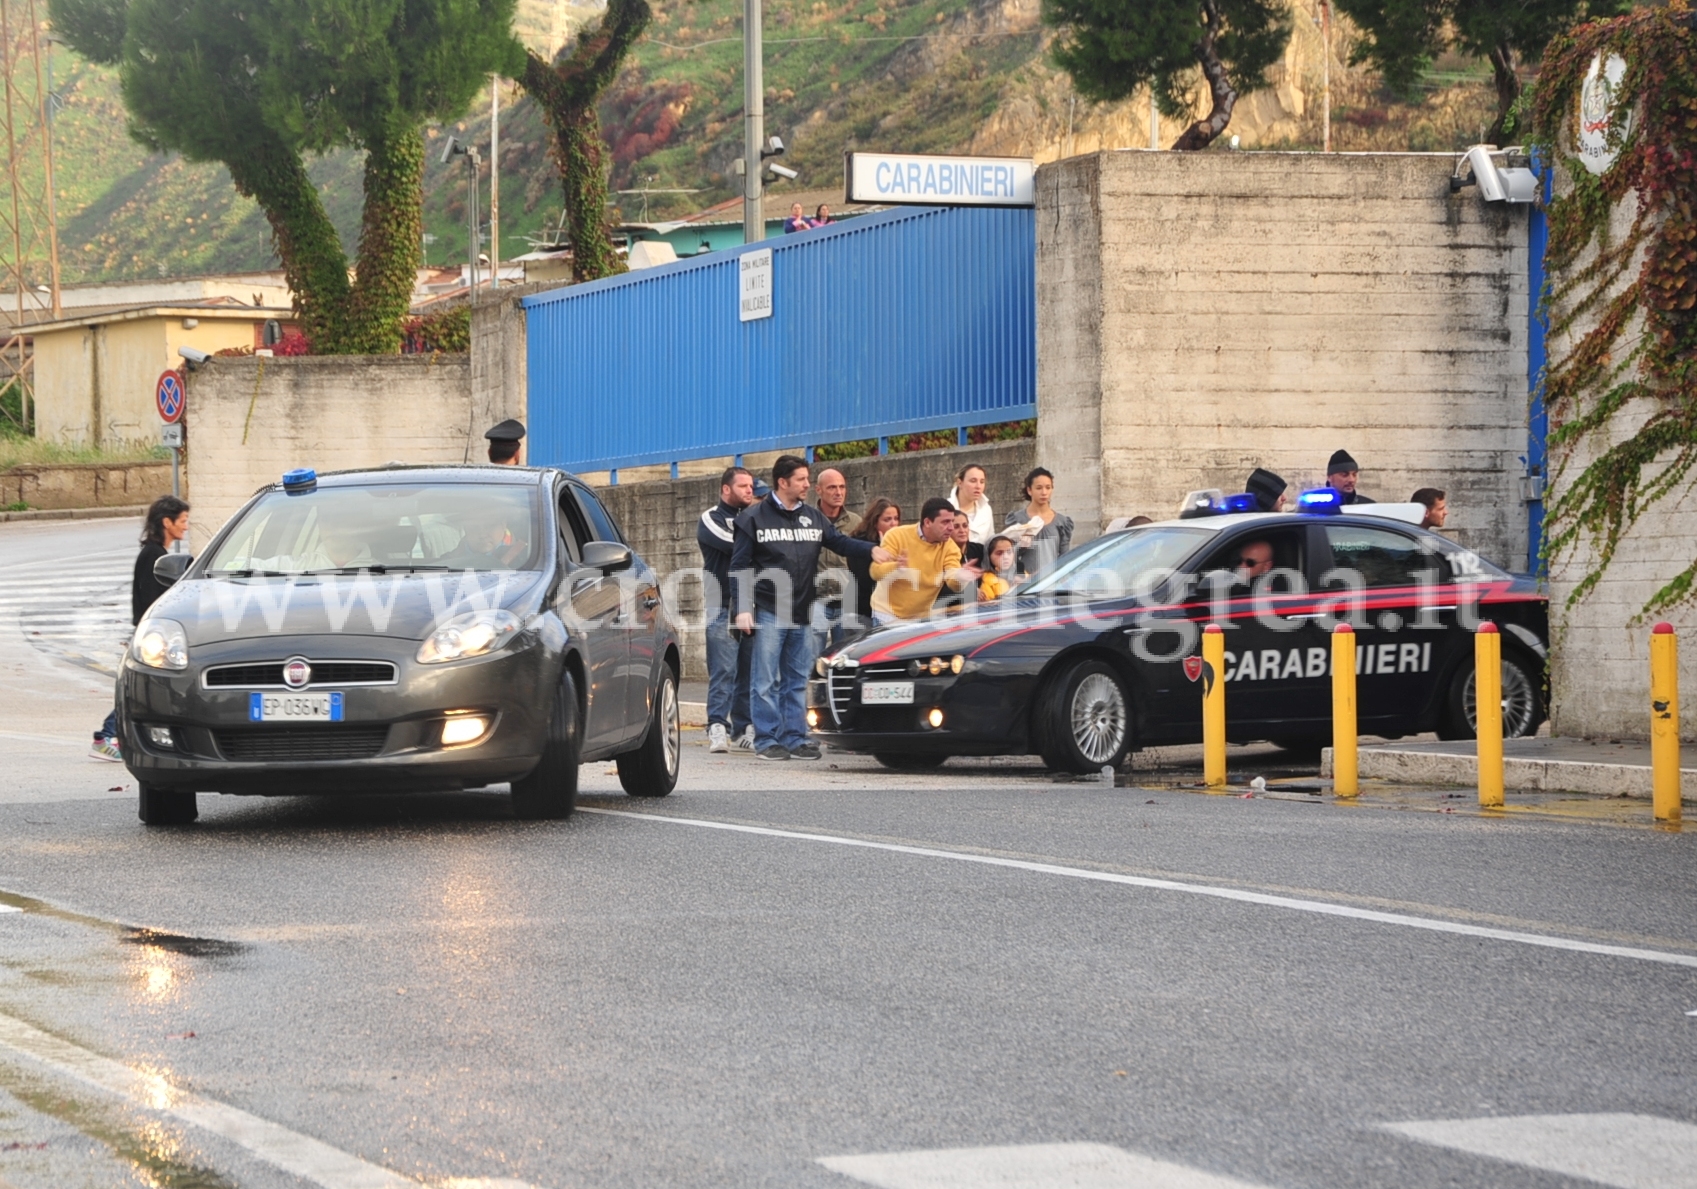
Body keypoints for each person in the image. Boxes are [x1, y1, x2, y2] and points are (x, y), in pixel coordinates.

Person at [731, 456, 893, 761]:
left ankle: (794, 737)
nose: (808, 485)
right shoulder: (753, 518)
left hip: (803, 609)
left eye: (807, 479)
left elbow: (841, 543)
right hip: (768, 608)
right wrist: (742, 607)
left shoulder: (813, 518)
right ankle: (766, 739)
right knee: (766, 679)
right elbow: (738, 565)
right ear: (783, 482)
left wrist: (871, 549)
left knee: (797, 678)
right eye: (802, 479)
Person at [92, 495, 190, 761]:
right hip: (152, 635)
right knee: (142, 689)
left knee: (147, 689)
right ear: (166, 522)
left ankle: (110, 734)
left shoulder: (157, 554)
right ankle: (107, 736)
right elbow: (150, 599)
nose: (185, 527)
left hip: (151, 633)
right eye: (182, 520)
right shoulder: (154, 556)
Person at [699, 466, 757, 753]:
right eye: (743, 486)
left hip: (752, 603)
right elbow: (735, 546)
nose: (750, 490)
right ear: (726, 489)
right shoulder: (711, 518)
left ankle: (743, 727)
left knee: (748, 669)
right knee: (724, 669)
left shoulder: (755, 519)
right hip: (720, 604)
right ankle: (717, 726)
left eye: (751, 486)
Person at [870, 497, 981, 623]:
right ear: (927, 522)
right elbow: (875, 571)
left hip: (920, 617)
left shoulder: (950, 547)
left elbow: (952, 579)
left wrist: (960, 576)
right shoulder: (896, 535)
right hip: (887, 614)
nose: (951, 528)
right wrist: (896, 568)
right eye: (945, 522)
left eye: (951, 521)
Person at [813, 467, 861, 652]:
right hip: (816, 598)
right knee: (811, 658)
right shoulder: (807, 520)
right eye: (832, 487)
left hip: (846, 599)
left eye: (842, 487)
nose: (838, 492)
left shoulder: (855, 522)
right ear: (819, 490)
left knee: (844, 656)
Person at [1004, 467, 1073, 577]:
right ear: (1029, 490)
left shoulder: (1062, 522)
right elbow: (1005, 556)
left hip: (1051, 583)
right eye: (1039, 488)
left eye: (1048, 487)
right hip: (1023, 583)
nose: (1044, 492)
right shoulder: (1017, 519)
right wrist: (1021, 547)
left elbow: (1064, 557)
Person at [845, 499, 901, 628]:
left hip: (891, 612)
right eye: (887, 520)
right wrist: (883, 552)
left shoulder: (900, 541)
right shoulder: (859, 542)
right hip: (861, 610)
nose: (893, 524)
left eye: (896, 519)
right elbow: (865, 578)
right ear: (875, 522)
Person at [935, 512, 988, 610]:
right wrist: (969, 590)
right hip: (952, 611)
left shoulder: (979, 550)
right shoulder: (940, 555)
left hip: (982, 609)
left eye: (965, 526)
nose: (962, 530)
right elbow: (939, 590)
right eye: (956, 527)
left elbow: (999, 554)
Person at [949, 462, 993, 546]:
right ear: (960, 483)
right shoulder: (946, 509)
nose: (978, 486)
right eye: (973, 481)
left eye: (982, 482)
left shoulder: (986, 509)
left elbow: (990, 540)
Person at [979, 534, 1018, 602]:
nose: (1006, 557)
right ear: (988, 557)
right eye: (999, 553)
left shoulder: (1023, 575)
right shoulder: (986, 584)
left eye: (1009, 552)